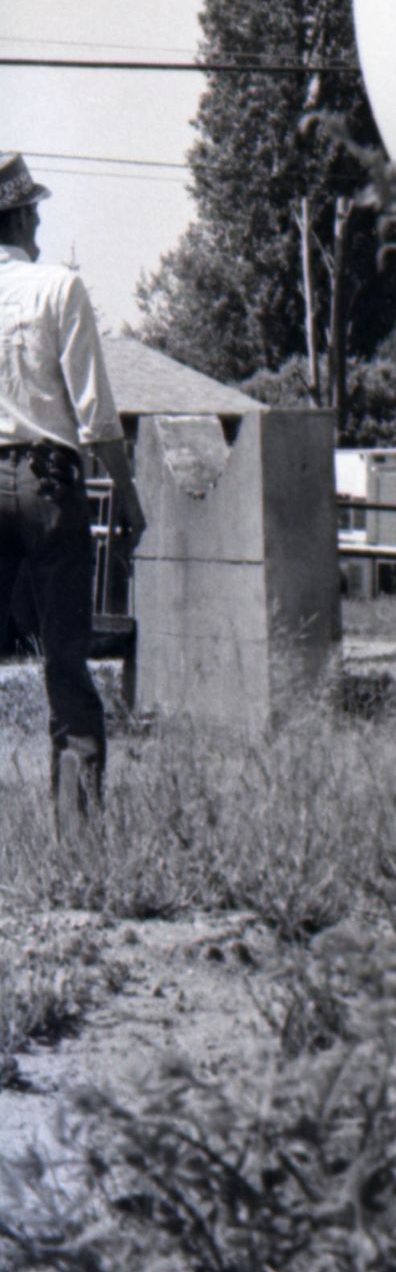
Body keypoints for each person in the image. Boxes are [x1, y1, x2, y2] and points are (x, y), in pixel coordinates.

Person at [0, 153, 145, 818]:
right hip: (48, 484)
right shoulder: (59, 287)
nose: (38, 224)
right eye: (35, 212)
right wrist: (129, 499)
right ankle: (78, 836)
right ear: (22, 216)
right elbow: (96, 415)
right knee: (65, 660)